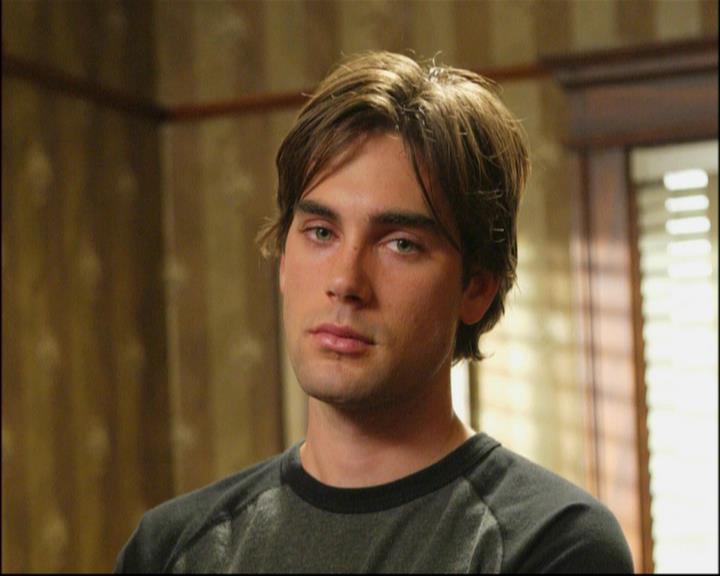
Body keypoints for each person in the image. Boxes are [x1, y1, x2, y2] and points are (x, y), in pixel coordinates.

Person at [115, 51, 634, 573]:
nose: (345, 282)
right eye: (321, 232)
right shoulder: (171, 550)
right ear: (283, 260)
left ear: (475, 288)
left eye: (401, 244)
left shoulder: (552, 544)